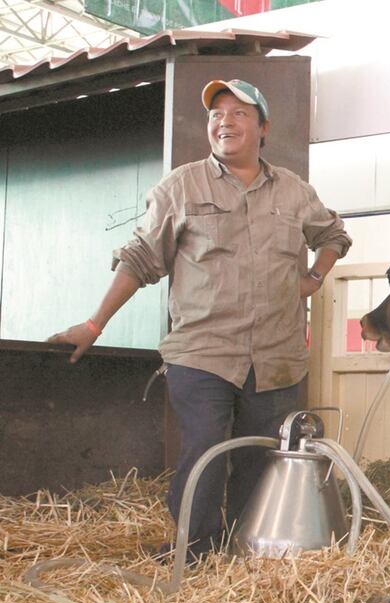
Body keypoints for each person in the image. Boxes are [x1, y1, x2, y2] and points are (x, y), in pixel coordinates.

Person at [47, 79, 352, 562]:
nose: (225, 121)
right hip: (203, 353)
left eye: (239, 113)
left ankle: (244, 548)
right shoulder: (182, 186)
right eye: (216, 114)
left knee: (259, 455)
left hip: (276, 357)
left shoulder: (294, 192)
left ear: (263, 128)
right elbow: (140, 259)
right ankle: (194, 549)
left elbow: (333, 234)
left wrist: (314, 276)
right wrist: (93, 325)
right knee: (205, 449)